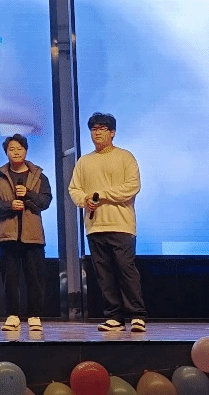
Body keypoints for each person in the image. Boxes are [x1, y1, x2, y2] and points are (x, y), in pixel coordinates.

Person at [68, 112, 147, 332]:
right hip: (95, 226)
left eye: (102, 129)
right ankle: (114, 317)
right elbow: (74, 189)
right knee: (104, 274)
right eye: (94, 129)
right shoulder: (84, 161)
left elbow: (132, 187)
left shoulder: (125, 157)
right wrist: (85, 199)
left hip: (121, 224)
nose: (97, 133)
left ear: (112, 132)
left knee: (126, 270)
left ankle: (137, 315)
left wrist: (100, 195)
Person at [0, 133, 52, 332]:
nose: (15, 152)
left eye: (19, 148)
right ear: (6, 152)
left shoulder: (39, 176)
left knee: (35, 278)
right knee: (10, 279)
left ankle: (34, 316)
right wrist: (9, 205)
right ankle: (12, 315)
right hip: (7, 235)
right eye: (11, 149)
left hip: (33, 235)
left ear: (26, 150)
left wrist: (28, 194)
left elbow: (45, 201)